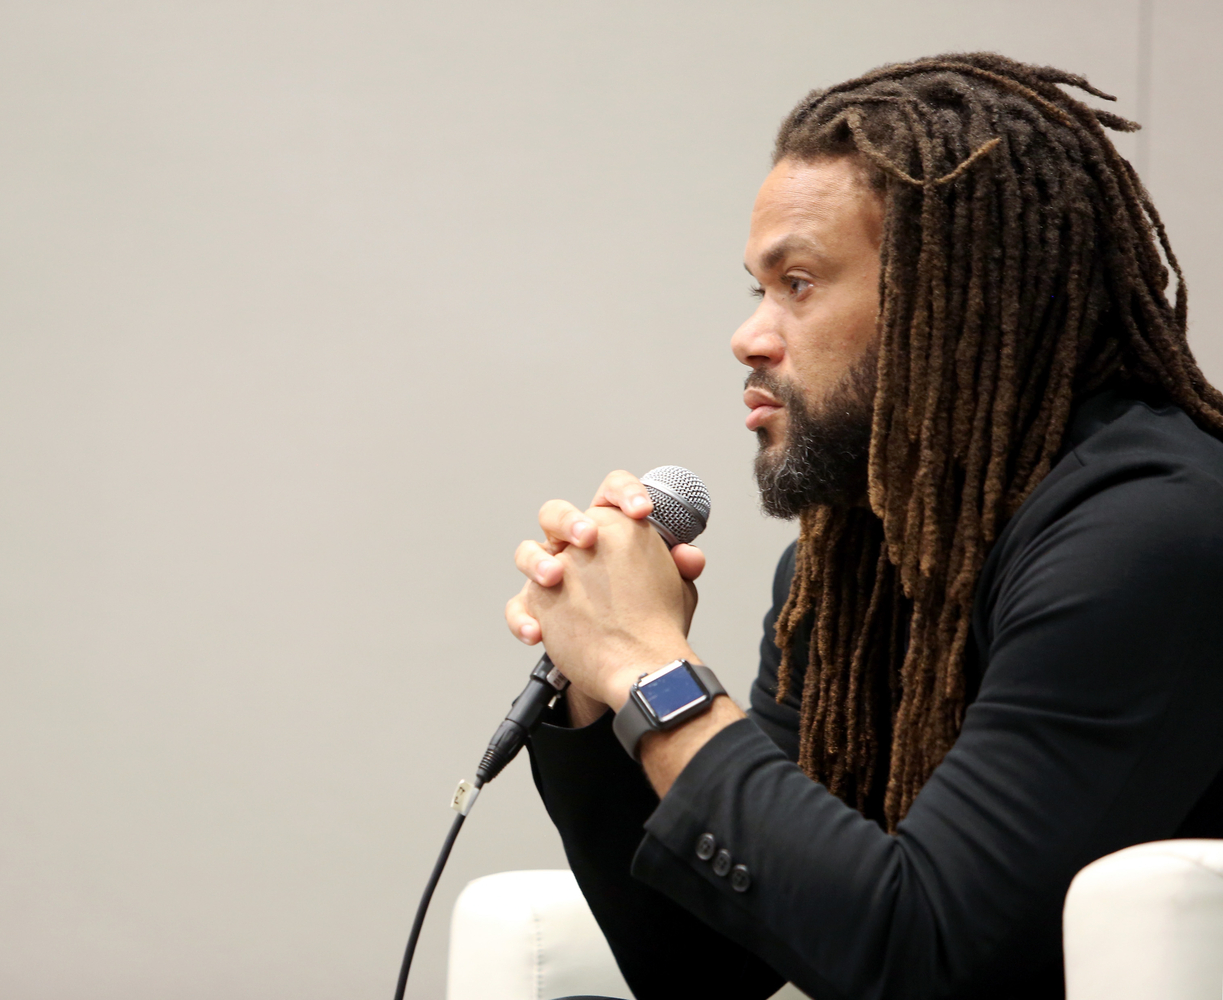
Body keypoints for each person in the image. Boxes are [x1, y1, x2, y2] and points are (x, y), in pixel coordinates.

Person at [503, 53, 1223, 1000]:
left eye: (797, 283)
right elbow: (706, 969)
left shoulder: (1152, 532)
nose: (750, 336)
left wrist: (654, 673)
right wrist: (597, 694)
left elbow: (925, 955)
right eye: (758, 290)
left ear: (953, 292)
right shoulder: (854, 559)